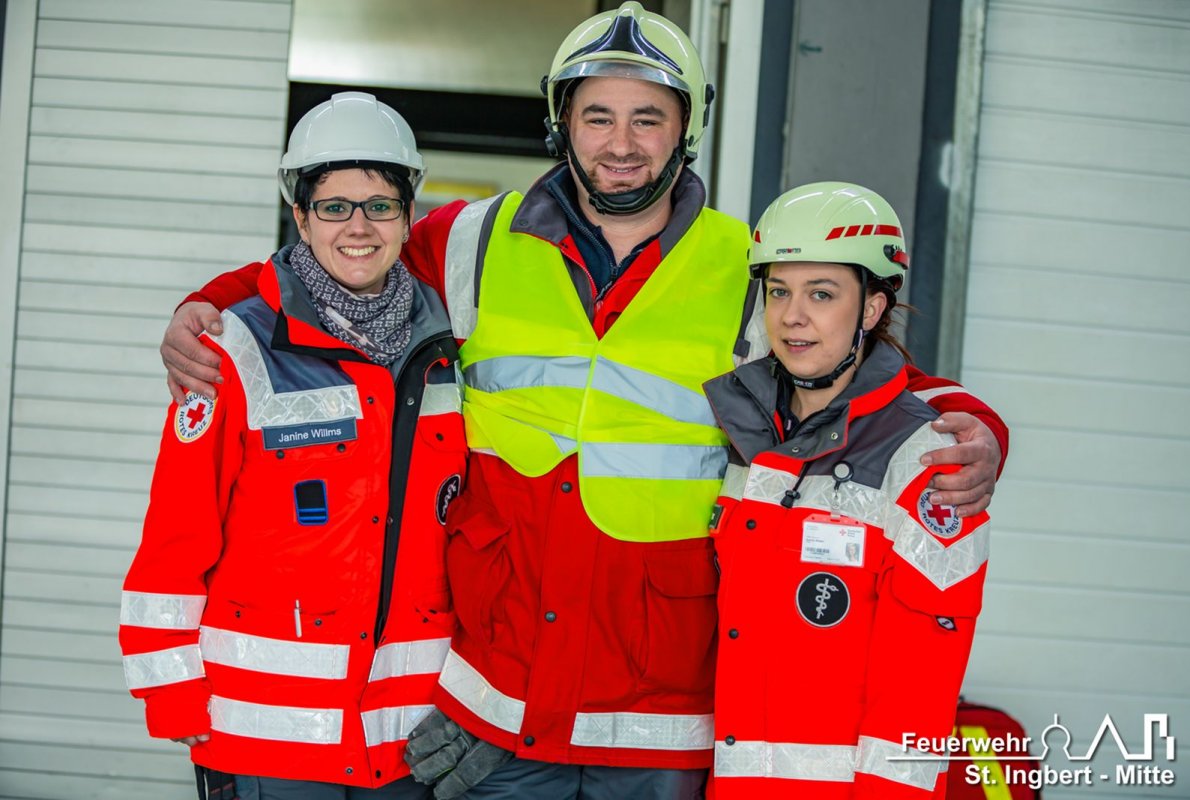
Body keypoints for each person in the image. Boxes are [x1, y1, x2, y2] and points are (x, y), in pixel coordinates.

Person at [157, 5, 1007, 797]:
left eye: (648, 118)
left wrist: (980, 428)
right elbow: (335, 264)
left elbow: (850, 361)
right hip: (495, 704)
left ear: (687, 128)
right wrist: (213, 300)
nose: (621, 144)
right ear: (561, 122)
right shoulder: (470, 241)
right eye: (597, 116)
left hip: (662, 717)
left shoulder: (747, 264)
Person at [119, 92, 465, 800]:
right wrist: (170, 690)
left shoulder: (453, 349)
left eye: (380, 205)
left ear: (409, 215)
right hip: (261, 734)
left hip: (408, 737)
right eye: (335, 206)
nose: (359, 226)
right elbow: (175, 535)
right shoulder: (232, 348)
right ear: (301, 215)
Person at [704, 182, 989, 799]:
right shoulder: (747, 430)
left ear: (871, 309)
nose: (791, 316)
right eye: (778, 291)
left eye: (822, 294)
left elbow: (923, 673)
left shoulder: (925, 454)